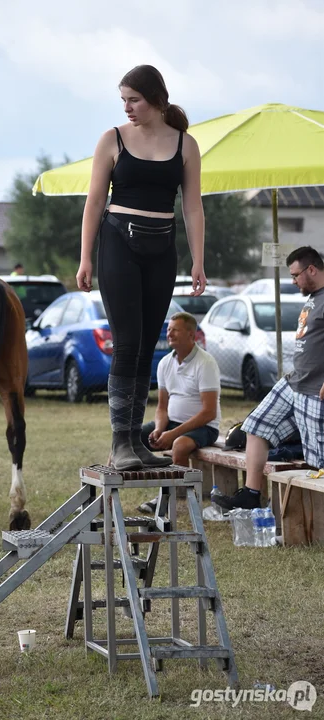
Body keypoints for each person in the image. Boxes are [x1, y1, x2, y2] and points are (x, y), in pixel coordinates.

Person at [76, 64, 206, 471]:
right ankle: (120, 443)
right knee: (127, 343)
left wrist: (199, 259)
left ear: (156, 98)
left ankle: (134, 439)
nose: (127, 108)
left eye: (134, 99)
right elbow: (94, 201)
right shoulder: (112, 139)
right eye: (123, 101)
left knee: (148, 346)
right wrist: (84, 257)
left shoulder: (186, 144)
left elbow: (192, 206)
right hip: (118, 243)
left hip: (162, 249)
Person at [214, 246, 324, 511]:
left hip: (314, 388)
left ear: (312, 269)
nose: (294, 281)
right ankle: (251, 494)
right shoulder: (312, 296)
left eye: (296, 275)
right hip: (294, 382)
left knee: (318, 459)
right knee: (255, 426)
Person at [137, 312, 221, 513]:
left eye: (175, 330)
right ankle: (106, 497)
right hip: (171, 424)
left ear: (191, 335)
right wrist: (159, 429)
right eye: (168, 329)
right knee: (126, 436)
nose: (169, 333)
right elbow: (162, 407)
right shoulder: (165, 362)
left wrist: (173, 433)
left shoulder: (205, 363)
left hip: (204, 427)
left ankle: (168, 499)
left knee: (179, 445)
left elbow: (208, 413)